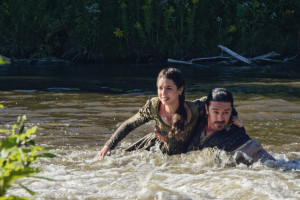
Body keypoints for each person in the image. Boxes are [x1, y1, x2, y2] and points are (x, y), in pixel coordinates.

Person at [95, 67, 207, 159]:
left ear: (180, 90)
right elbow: (129, 125)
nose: (163, 93)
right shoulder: (153, 107)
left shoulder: (194, 109)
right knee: (117, 160)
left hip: (184, 156)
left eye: (168, 88)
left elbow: (217, 104)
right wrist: (108, 147)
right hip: (154, 149)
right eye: (160, 88)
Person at [184, 88, 275, 164]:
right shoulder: (196, 116)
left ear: (231, 111)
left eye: (226, 112)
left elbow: (265, 159)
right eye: (216, 112)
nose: (220, 118)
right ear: (207, 110)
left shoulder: (235, 135)